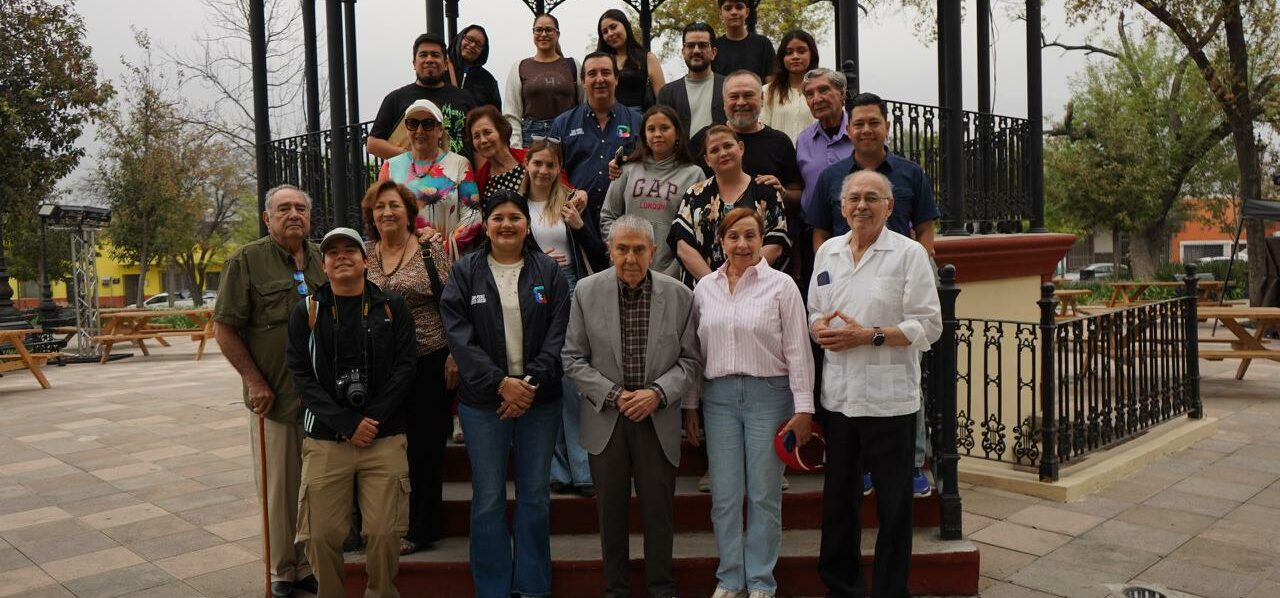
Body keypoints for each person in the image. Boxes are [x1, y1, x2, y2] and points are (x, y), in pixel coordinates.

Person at [810, 170, 941, 598]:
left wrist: (869, 336)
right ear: (842, 206)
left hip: (890, 402)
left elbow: (929, 325)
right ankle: (840, 588)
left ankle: (890, 591)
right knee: (838, 505)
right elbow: (815, 310)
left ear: (889, 206)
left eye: (872, 197)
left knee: (894, 508)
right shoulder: (828, 252)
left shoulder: (909, 254)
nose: (861, 205)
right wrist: (819, 328)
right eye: (854, 198)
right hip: (840, 399)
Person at [806, 93, 940, 496]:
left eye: (873, 122)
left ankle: (913, 462)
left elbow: (926, 227)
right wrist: (831, 275)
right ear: (848, 130)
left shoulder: (910, 173)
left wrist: (920, 263)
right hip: (844, 276)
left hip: (898, 280)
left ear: (886, 127)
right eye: (859, 123)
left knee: (907, 374)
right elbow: (820, 231)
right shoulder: (831, 177)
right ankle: (862, 466)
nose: (866, 130)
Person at [562, 214, 703, 598]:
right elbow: (572, 358)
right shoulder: (586, 292)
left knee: (659, 513)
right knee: (610, 514)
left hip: (657, 417)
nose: (630, 258)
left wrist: (657, 393)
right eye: (621, 248)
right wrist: (614, 394)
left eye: (639, 249)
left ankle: (662, 588)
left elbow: (691, 360)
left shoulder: (680, 296)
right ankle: (616, 589)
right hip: (607, 418)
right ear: (609, 250)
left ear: (653, 252)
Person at [439, 190, 571, 598]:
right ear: (486, 224)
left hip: (539, 400)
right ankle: (493, 587)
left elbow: (559, 333)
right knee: (489, 497)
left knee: (535, 496)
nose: (507, 225)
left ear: (527, 225)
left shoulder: (548, 271)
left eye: (515, 217)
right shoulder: (466, 272)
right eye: (498, 218)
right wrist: (500, 383)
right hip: (484, 403)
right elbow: (459, 336)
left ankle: (532, 586)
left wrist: (529, 383)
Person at [683, 207, 814, 598]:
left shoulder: (782, 287)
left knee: (763, 494)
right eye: (733, 237)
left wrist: (803, 409)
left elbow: (798, 349)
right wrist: (690, 405)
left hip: (768, 396)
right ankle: (729, 578)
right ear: (721, 241)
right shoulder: (704, 288)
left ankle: (760, 581)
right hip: (718, 399)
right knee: (724, 496)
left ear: (761, 240)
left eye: (750, 236)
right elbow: (695, 352)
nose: (742, 244)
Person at [286, 227, 417, 598]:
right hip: (326, 438)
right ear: (324, 265)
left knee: (385, 531)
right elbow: (300, 376)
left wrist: (370, 420)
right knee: (320, 534)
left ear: (365, 260)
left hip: (383, 434)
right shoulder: (307, 312)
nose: (341, 256)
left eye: (350, 250)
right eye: (333, 252)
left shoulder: (391, 306)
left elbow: (405, 366)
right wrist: (346, 422)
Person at [213, 184, 321, 598]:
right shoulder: (247, 260)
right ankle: (283, 570)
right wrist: (254, 381)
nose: (293, 214)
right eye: (283, 209)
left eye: (300, 208)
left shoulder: (323, 257)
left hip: (322, 400)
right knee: (280, 490)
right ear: (267, 218)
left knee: (316, 487)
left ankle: (309, 563)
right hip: (276, 397)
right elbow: (225, 329)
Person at [360, 180, 455, 555]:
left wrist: (456, 354)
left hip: (428, 359)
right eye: (379, 207)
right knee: (383, 447)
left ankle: (422, 527)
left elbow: (453, 304)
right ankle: (381, 522)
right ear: (371, 215)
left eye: (394, 206)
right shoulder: (363, 254)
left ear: (409, 213)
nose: (387, 213)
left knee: (425, 446)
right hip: (379, 366)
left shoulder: (430, 250)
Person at [519, 138, 608, 497]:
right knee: (543, 374)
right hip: (531, 289)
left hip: (570, 288)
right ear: (527, 164)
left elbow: (599, 255)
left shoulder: (571, 203)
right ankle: (557, 468)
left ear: (559, 169)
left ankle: (583, 467)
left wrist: (579, 226)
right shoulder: (516, 205)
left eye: (550, 165)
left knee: (573, 377)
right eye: (537, 163)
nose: (543, 171)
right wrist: (538, 260)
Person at [669, 124, 790, 289]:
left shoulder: (766, 190)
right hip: (705, 291)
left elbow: (776, 243)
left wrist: (740, 281)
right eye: (714, 150)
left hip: (756, 290)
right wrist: (716, 285)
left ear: (741, 148)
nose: (723, 153)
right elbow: (682, 245)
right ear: (707, 160)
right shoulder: (695, 194)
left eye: (728, 146)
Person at [601, 105, 705, 279]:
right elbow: (608, 216)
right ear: (644, 136)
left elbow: (696, 230)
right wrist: (620, 253)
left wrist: (673, 271)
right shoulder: (627, 169)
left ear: (677, 133)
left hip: (671, 274)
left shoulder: (694, 174)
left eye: (664, 128)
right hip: (625, 269)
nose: (657, 134)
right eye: (651, 129)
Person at [549, 51, 642, 232]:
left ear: (616, 79)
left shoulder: (637, 122)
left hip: (624, 222)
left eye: (606, 72)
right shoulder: (563, 124)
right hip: (575, 222)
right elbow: (552, 174)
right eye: (592, 74)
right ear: (583, 81)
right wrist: (573, 193)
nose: (600, 79)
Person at [378, 99, 480, 256]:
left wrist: (441, 250)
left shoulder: (460, 164)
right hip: (404, 259)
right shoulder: (390, 167)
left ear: (440, 130)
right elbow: (381, 216)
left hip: (449, 260)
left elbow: (472, 217)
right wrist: (414, 243)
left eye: (428, 124)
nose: (419, 130)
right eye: (413, 123)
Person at [690, 71, 802, 214]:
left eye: (748, 95)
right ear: (724, 102)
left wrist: (783, 193)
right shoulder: (704, 140)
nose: (741, 102)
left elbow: (799, 194)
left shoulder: (780, 142)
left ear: (762, 99)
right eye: (734, 96)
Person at [367, 33, 477, 159]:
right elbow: (373, 144)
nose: (429, 59)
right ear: (414, 63)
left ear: (446, 64)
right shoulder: (396, 98)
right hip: (411, 172)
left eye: (435, 55)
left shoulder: (464, 97)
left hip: (460, 171)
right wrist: (413, 158)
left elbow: (477, 138)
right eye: (423, 55)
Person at [795, 68, 853, 294]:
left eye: (824, 90)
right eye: (810, 94)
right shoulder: (804, 140)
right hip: (815, 237)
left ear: (842, 93)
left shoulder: (861, 133)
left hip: (857, 230)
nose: (816, 98)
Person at [504, 14, 579, 148]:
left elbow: (585, 105)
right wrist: (516, 147)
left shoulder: (573, 65)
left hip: (568, 134)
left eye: (549, 30)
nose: (543, 34)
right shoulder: (520, 66)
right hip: (531, 137)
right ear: (533, 33)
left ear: (557, 34)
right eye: (538, 30)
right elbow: (512, 113)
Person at [469, 105, 574, 201]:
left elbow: (565, 188)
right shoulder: (479, 181)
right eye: (476, 136)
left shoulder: (534, 158)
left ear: (501, 131)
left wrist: (577, 195)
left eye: (487, 132)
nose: (483, 140)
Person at [655, 22, 726, 141]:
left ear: (713, 52)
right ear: (683, 52)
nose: (696, 50)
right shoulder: (667, 93)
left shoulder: (729, 87)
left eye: (703, 45)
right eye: (690, 45)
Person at [597, 9, 664, 111]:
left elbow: (663, 99)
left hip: (641, 117)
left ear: (626, 26)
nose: (610, 33)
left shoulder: (648, 58)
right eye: (605, 32)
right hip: (608, 117)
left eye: (613, 27)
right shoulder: (600, 62)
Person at [760, 30, 818, 141]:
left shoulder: (823, 91)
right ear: (782, 57)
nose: (795, 56)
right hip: (777, 151)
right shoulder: (767, 92)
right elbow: (761, 129)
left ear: (811, 54)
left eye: (801, 51)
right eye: (789, 52)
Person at [711, 0, 775, 82]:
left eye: (739, 7)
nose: (734, 12)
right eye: (728, 8)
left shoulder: (763, 44)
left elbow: (771, 83)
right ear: (720, 14)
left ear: (747, 12)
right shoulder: (714, 47)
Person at [449, 24, 501, 111]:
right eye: (469, 39)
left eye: (478, 44)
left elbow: (495, 114)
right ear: (461, 38)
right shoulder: (442, 68)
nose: (472, 45)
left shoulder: (488, 80)